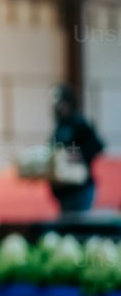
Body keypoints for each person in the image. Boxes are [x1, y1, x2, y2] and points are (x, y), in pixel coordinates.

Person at [50, 83, 104, 214]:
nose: (56, 107)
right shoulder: (60, 125)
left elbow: (97, 145)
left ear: (68, 102)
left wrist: (79, 155)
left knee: (78, 229)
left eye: (59, 103)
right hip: (63, 190)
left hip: (79, 189)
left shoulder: (79, 123)